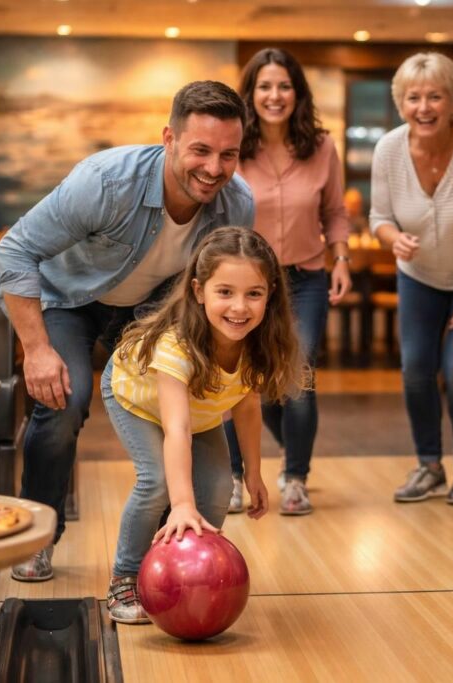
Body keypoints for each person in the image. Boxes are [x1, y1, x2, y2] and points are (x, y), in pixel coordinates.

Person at [0, 81, 254, 582]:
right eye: (200, 150)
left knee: (175, 401)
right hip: (68, 299)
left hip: (150, 310)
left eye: (229, 155)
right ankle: (38, 538)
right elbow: (15, 250)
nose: (214, 168)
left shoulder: (237, 204)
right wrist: (37, 349)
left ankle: (167, 548)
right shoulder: (107, 182)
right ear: (169, 139)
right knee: (63, 401)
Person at [102, 227, 303, 624]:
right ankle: (124, 578)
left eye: (254, 294)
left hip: (200, 410)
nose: (239, 307)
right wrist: (181, 504)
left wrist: (254, 473)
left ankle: (176, 567)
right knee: (157, 482)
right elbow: (176, 429)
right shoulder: (177, 344)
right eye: (224, 292)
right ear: (198, 291)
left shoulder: (259, 342)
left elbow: (246, 405)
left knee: (217, 489)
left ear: (270, 294)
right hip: (136, 398)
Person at [369, 52, 453, 504]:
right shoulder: (388, 149)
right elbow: (379, 217)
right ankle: (428, 465)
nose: (424, 107)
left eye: (435, 96)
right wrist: (394, 239)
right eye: (413, 98)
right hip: (417, 277)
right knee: (415, 371)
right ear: (400, 103)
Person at [225, 47, 352, 516]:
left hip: (305, 280)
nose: (274, 95)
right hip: (246, 283)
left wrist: (341, 259)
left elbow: (334, 212)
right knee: (239, 380)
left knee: (298, 378)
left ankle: (295, 477)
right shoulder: (235, 147)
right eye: (264, 86)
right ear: (250, 94)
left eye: (283, 86)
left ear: (297, 93)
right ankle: (232, 476)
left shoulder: (321, 146)